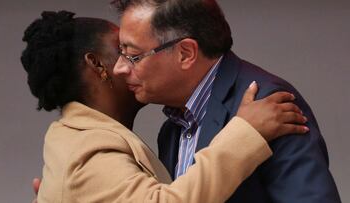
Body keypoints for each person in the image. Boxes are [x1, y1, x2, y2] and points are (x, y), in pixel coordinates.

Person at [23, 11, 308, 202]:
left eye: (132, 53)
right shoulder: (88, 148)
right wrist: (245, 133)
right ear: (97, 65)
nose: (128, 62)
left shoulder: (77, 135)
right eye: (122, 51)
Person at [110, 0, 341, 202]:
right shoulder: (172, 127)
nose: (119, 68)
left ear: (186, 53)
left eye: (133, 56)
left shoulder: (268, 103)